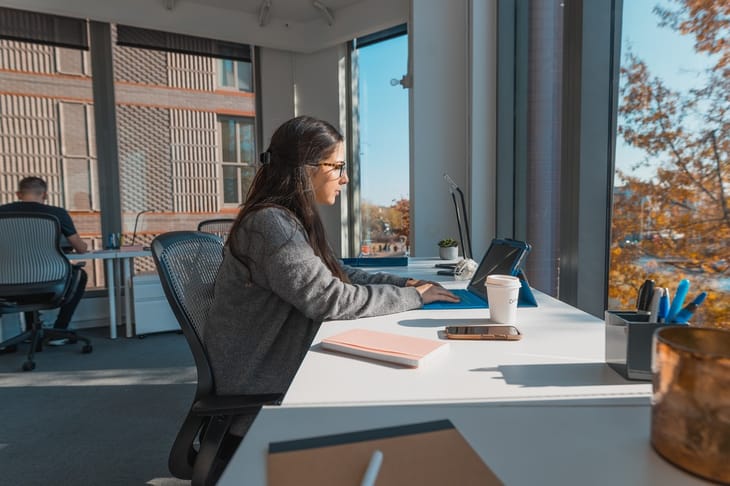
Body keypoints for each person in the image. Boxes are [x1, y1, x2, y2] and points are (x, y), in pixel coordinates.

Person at [205, 116, 459, 440]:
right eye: (337, 166)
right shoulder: (271, 225)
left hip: (279, 364)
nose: (345, 178)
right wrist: (416, 298)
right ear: (305, 168)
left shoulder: (286, 220)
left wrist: (403, 284)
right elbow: (329, 299)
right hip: (261, 386)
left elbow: (339, 273)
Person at [0, 177, 88, 345]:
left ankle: (29, 330)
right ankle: (60, 331)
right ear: (45, 195)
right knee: (80, 275)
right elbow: (81, 248)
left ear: (18, 194)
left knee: (23, 275)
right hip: (48, 284)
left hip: (7, 286)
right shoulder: (57, 213)